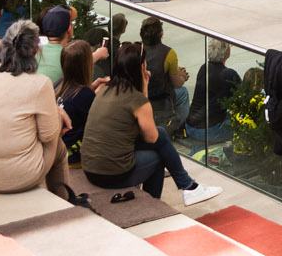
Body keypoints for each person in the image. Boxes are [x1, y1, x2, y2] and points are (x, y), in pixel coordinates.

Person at [79, 41, 219, 206]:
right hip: (111, 174)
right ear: (140, 68)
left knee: (160, 134)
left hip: (89, 167)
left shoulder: (104, 89)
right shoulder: (136, 99)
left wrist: (143, 88)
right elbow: (151, 138)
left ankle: (188, 186)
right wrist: (145, 85)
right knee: (159, 154)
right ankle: (161, 200)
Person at [0, 20, 81, 200]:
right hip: (13, 178)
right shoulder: (39, 84)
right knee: (59, 149)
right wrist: (57, 113)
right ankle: (66, 201)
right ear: (36, 52)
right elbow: (49, 135)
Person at [180, 39, 241, 144]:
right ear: (225, 52)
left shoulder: (204, 68)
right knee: (245, 123)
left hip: (190, 126)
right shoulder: (229, 74)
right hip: (208, 131)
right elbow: (244, 95)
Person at [140, 15, 190, 131]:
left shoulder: (135, 49)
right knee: (183, 92)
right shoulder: (169, 53)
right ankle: (179, 128)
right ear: (161, 34)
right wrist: (183, 76)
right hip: (160, 100)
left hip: (141, 97)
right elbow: (177, 83)